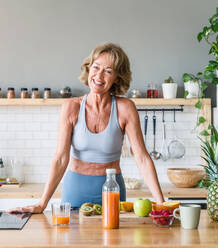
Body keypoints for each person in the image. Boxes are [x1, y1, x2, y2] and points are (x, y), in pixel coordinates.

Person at [9, 43, 164, 213]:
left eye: (108, 71)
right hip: (75, 192)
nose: (99, 75)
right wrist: (42, 203)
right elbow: (60, 159)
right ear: (89, 69)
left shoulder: (125, 108)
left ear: (117, 78)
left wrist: (162, 203)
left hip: (112, 192)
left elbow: (142, 158)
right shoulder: (71, 107)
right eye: (96, 67)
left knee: (113, 239)